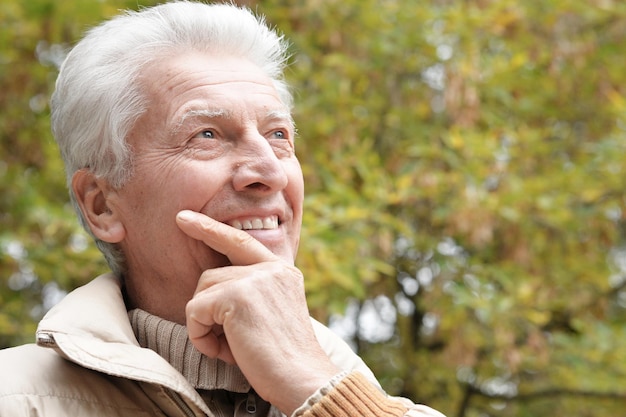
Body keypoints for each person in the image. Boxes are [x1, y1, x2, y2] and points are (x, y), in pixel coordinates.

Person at [0, 2, 445, 416]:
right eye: (207, 135)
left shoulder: (364, 393)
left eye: (278, 135)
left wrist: (318, 387)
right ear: (102, 206)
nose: (269, 170)